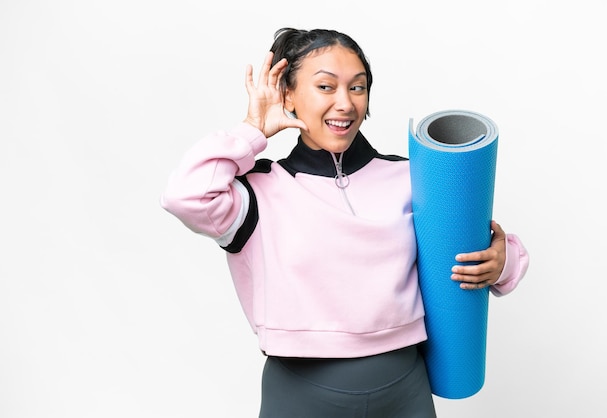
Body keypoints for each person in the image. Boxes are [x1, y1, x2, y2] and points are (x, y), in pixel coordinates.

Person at [161, 27, 529, 418]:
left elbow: (482, 252)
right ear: (287, 95)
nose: (345, 104)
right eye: (325, 87)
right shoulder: (260, 192)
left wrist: (502, 261)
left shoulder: (411, 178)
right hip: (301, 393)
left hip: (405, 388)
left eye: (357, 88)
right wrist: (251, 131)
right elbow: (185, 195)